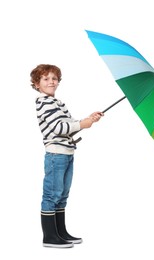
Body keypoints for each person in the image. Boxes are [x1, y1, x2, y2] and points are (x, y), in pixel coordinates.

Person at [30, 64, 103, 248]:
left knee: (62, 195)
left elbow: (68, 123)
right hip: (56, 155)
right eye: (45, 79)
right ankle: (49, 236)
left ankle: (60, 232)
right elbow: (59, 128)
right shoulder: (44, 102)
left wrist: (89, 119)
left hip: (67, 153)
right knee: (52, 195)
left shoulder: (57, 102)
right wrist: (82, 125)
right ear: (37, 84)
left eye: (54, 78)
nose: (51, 81)